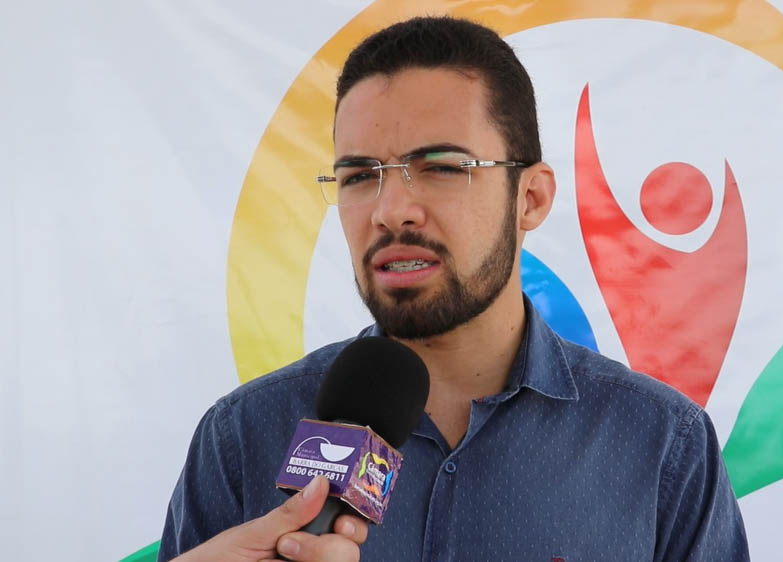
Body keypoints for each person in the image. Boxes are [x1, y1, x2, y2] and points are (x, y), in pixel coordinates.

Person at [158, 16, 749, 561]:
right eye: (359, 176)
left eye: (442, 167)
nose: (391, 211)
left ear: (531, 198)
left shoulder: (661, 443)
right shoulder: (242, 434)